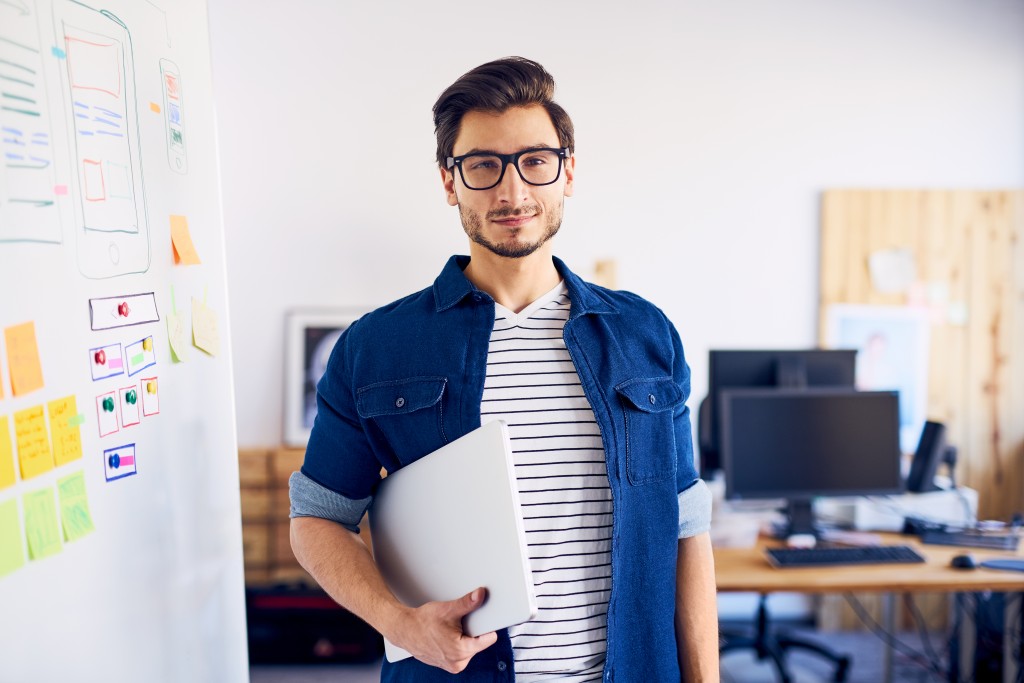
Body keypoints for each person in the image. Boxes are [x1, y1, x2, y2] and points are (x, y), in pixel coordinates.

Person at [290, 56, 719, 682]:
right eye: (483, 165)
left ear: (567, 171)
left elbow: (687, 528)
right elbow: (317, 520)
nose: (512, 191)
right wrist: (400, 623)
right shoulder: (375, 347)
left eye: (534, 161)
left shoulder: (644, 335)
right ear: (449, 180)